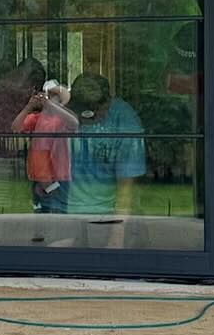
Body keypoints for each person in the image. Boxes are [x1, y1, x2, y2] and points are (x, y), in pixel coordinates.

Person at [66, 72, 146, 236]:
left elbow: (126, 186)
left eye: (93, 115)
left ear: (107, 104)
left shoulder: (126, 124)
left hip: (109, 213)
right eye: (81, 114)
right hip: (64, 210)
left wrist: (117, 235)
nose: (86, 121)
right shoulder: (65, 113)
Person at [14, 79, 74, 212]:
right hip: (40, 175)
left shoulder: (62, 119)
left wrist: (53, 106)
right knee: (41, 215)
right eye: (49, 96)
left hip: (60, 174)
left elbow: (74, 124)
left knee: (61, 214)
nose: (51, 100)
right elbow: (16, 128)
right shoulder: (35, 118)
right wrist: (28, 107)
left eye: (55, 97)